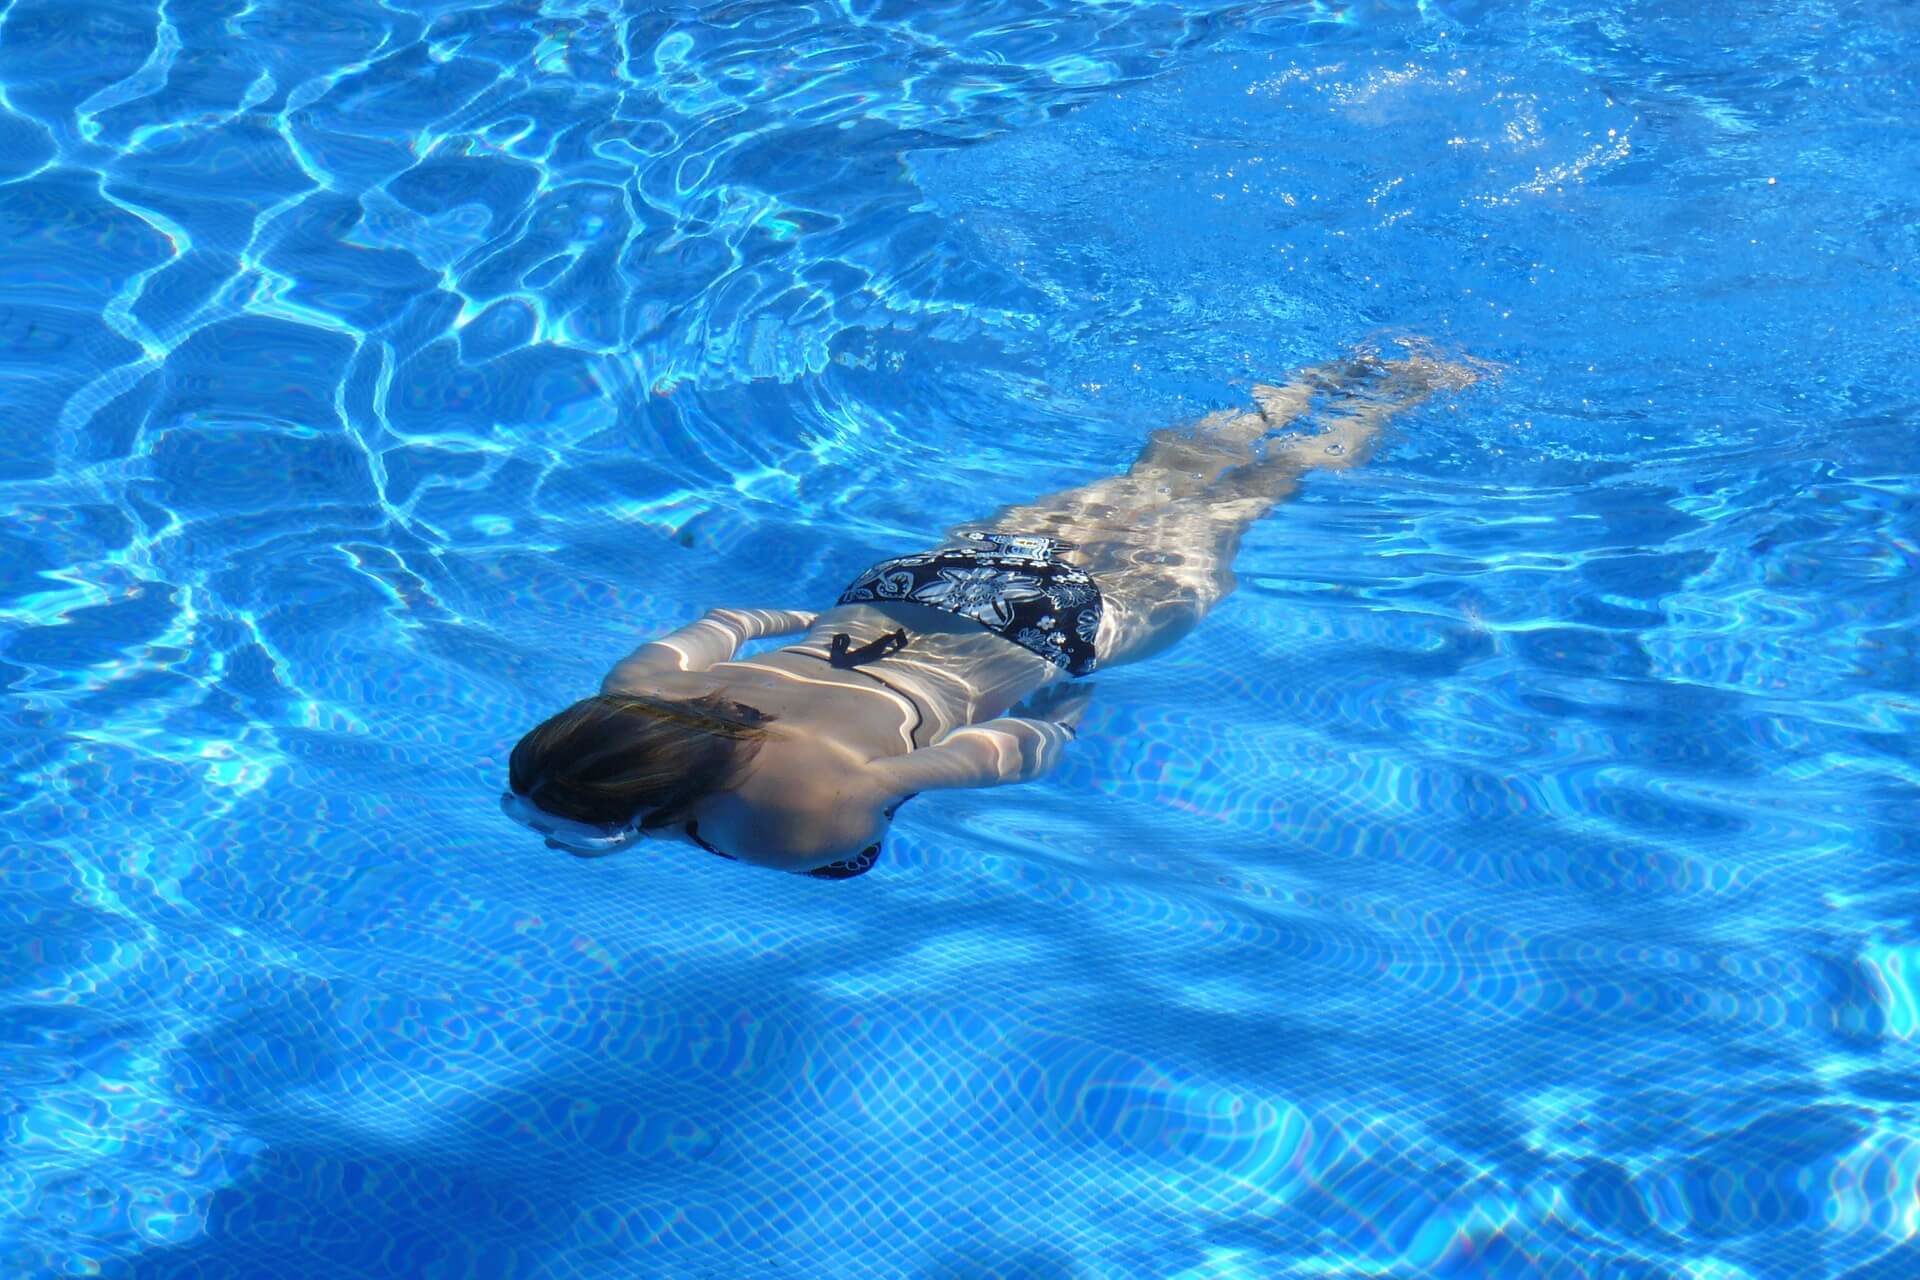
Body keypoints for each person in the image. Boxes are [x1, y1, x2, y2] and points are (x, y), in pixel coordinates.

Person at [501, 347, 1475, 878]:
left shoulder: (792, 820)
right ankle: (1323, 369)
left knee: (1252, 495)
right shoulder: (637, 683)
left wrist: (1053, 721)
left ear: (646, 812)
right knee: (1165, 471)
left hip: (1051, 630)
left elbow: (977, 756)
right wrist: (802, 611)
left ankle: (1413, 387)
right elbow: (726, 616)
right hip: (920, 585)